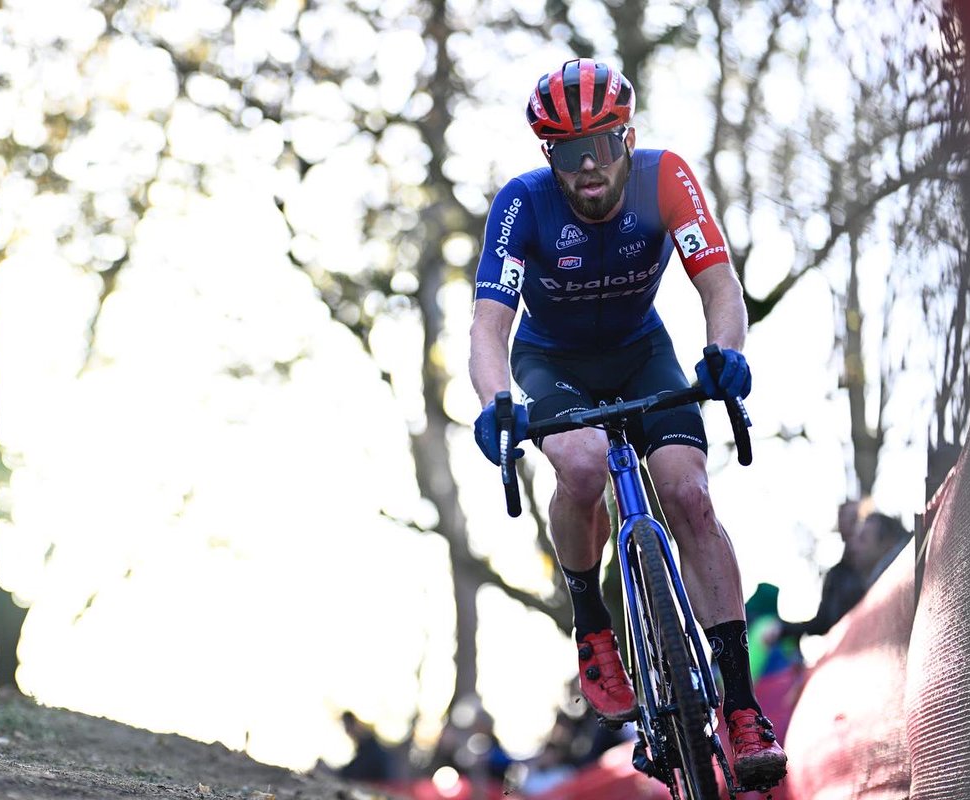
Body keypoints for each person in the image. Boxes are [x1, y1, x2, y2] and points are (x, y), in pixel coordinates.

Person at [467, 58, 786, 788]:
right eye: (567, 152)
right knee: (579, 466)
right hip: (553, 363)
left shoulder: (663, 177)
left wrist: (725, 353)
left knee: (688, 494)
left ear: (627, 138)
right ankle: (594, 625)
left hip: (644, 355)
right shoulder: (523, 204)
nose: (587, 167)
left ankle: (739, 706)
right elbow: (489, 326)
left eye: (601, 146)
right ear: (548, 157)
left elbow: (719, 284)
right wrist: (494, 402)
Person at [764, 499, 872, 645]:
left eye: (854, 520)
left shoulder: (883, 565)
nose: (849, 528)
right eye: (843, 521)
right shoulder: (837, 575)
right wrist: (783, 629)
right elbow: (822, 622)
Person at [334, 711, 393, 783]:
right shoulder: (364, 747)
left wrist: (337, 773)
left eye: (348, 727)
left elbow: (357, 771)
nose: (347, 732)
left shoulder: (370, 748)